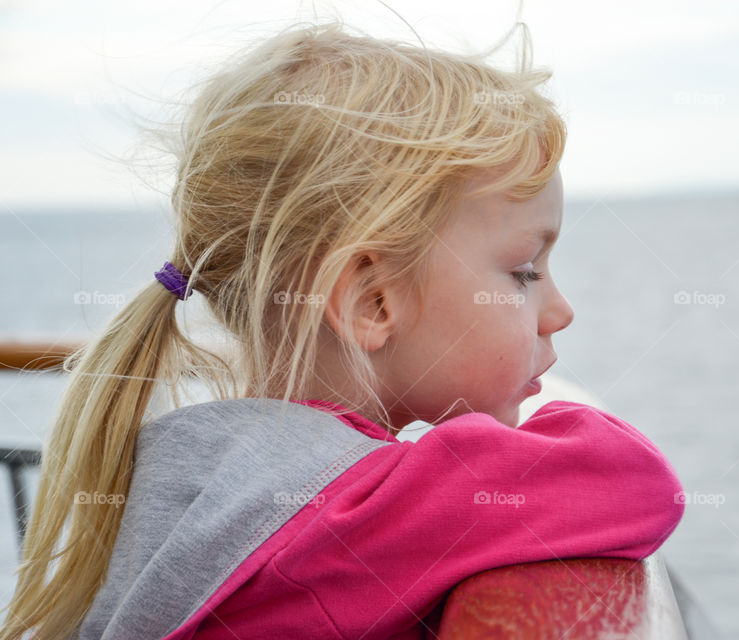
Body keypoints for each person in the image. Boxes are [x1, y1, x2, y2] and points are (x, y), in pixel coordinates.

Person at [1, 20, 684, 640]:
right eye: (525, 270)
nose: (559, 310)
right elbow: (632, 479)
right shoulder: (346, 512)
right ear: (372, 303)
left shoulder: (203, 471)